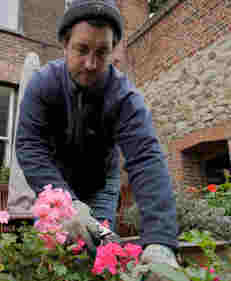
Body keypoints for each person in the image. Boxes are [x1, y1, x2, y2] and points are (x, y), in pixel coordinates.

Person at [10, 0, 179, 274]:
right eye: (82, 49)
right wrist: (66, 201)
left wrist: (161, 241)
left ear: (114, 51)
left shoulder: (125, 98)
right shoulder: (43, 84)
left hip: (101, 181)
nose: (90, 64)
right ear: (65, 45)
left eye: (102, 52)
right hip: (55, 177)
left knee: (99, 249)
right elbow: (30, 146)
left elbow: (146, 160)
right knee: (53, 247)